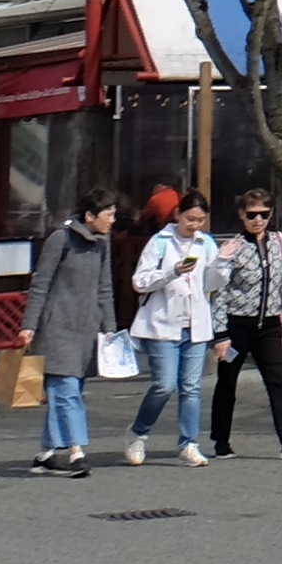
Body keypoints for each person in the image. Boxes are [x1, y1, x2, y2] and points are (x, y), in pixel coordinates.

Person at [19, 183, 123, 475]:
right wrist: (29, 325)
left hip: (86, 329)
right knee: (66, 391)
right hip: (56, 328)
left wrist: (109, 327)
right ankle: (77, 452)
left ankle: (46, 454)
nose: (112, 220)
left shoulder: (102, 243)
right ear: (90, 215)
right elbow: (40, 284)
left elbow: (105, 287)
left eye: (114, 214)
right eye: (108, 214)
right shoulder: (60, 239)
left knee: (68, 390)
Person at [202, 190, 282, 460]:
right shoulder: (233, 247)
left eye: (264, 214)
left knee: (278, 382)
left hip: (270, 325)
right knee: (227, 382)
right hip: (237, 326)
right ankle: (221, 441)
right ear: (242, 215)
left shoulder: (279, 242)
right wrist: (221, 334)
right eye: (252, 215)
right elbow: (220, 292)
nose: (258, 220)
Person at [122, 186, 222, 466]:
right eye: (190, 218)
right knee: (164, 385)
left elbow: (212, 285)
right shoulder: (160, 241)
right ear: (178, 214)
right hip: (162, 325)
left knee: (191, 388)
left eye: (200, 220)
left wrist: (224, 264)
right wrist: (172, 272)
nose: (194, 225)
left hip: (196, 326)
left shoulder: (206, 244)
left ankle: (188, 442)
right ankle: (138, 433)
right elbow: (140, 281)